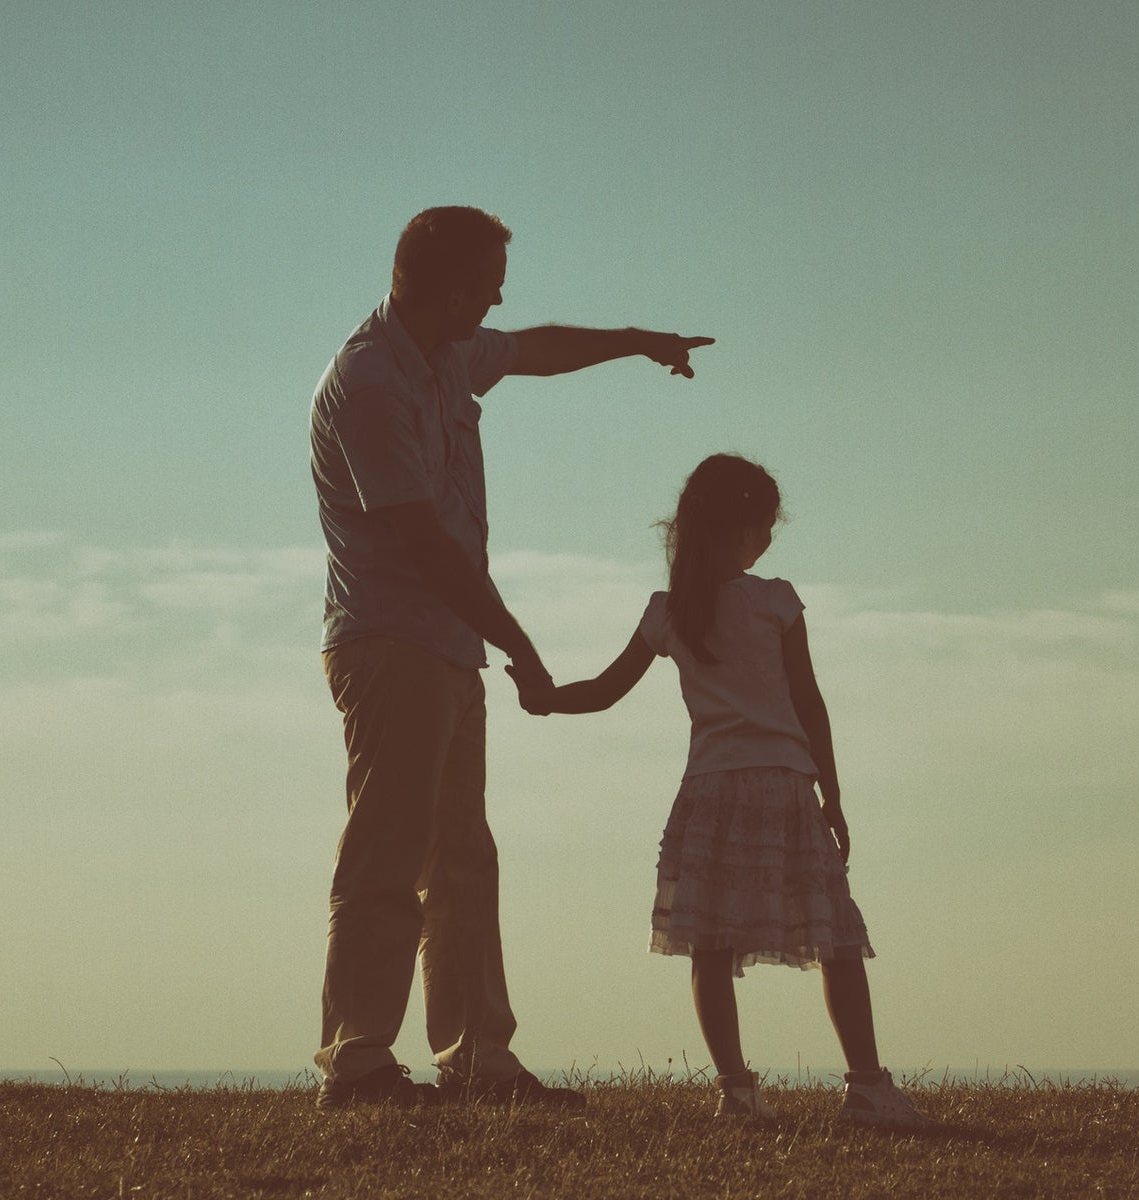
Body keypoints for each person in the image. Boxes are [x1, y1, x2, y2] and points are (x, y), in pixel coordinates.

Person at [308, 206, 713, 1109]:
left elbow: (535, 349)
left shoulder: (448, 354)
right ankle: (359, 1061)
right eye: (488, 280)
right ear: (446, 287)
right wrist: (521, 646)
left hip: (447, 647)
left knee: (462, 859)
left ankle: (478, 1058)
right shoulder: (371, 381)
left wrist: (637, 340)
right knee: (389, 851)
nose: (498, 297)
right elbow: (421, 541)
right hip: (393, 641)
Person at [516, 453, 932, 1128]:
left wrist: (544, 699)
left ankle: (737, 1091)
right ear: (741, 529)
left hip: (709, 789)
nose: (768, 538)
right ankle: (867, 1087)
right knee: (835, 939)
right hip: (783, 783)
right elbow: (808, 701)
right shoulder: (775, 600)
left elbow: (604, 692)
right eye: (764, 525)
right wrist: (834, 792)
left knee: (709, 943)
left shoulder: (668, 611)